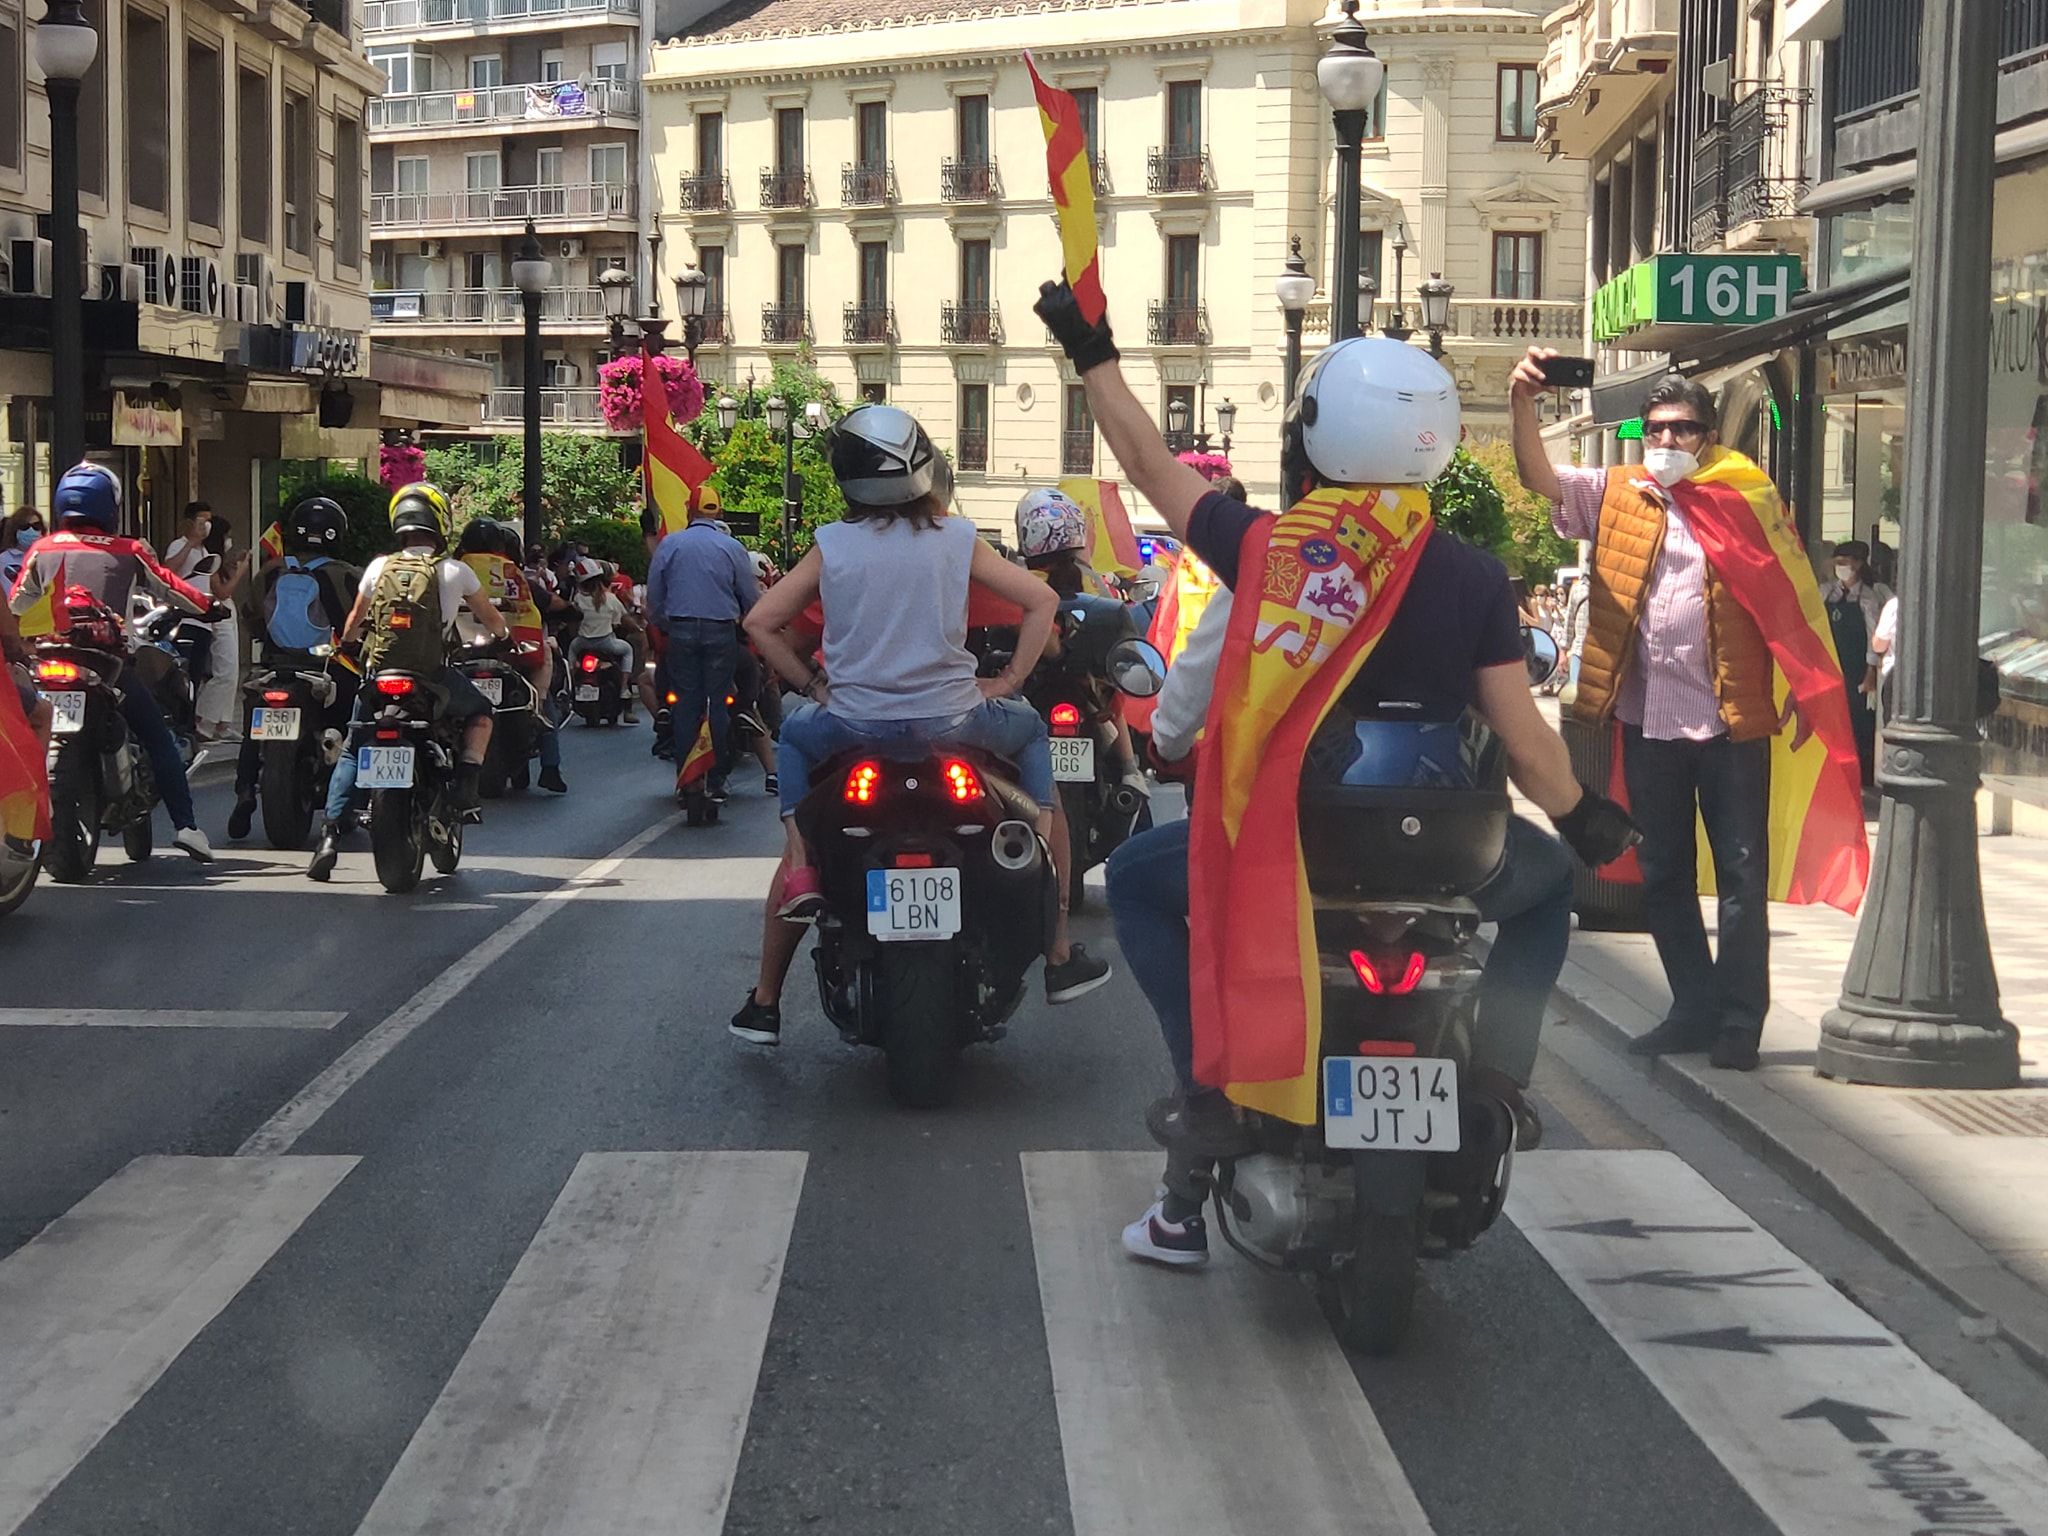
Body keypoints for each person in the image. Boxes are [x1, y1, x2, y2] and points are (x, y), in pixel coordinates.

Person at [1032, 282, 1636, 1267]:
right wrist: (1588, 825)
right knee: (1545, 895)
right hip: (1450, 856)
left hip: (1294, 851)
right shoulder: (1474, 575)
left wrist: (1090, 349)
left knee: (1140, 884)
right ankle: (1494, 1081)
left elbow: (1143, 459)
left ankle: (1206, 1090)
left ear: (1318, 436)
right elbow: (1526, 746)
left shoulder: (1263, 549)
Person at [739, 403, 1113, 1026]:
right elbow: (1043, 600)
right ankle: (1056, 942)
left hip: (854, 727)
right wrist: (1011, 680)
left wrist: (812, 685)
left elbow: (759, 622)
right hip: (953, 723)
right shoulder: (957, 538)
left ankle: (770, 986)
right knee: (1034, 737)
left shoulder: (830, 545)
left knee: (796, 740)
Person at [1510, 349, 1803, 1072]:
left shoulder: (1746, 499)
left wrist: (1804, 678)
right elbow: (1538, 477)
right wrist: (1523, 402)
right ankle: (1693, 1006)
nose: (1667, 442)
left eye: (1683, 429)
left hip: (1732, 724)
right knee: (1663, 870)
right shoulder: (1616, 494)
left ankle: (1739, 1021)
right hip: (1648, 723)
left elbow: (1790, 594)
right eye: (1657, 429)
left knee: (1740, 875)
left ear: (1708, 437)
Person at [7, 463, 216, 860]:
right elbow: (173, 589)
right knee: (159, 739)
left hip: (47, 663)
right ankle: (187, 826)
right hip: (109, 665)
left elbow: (18, 601)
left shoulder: (42, 549)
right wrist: (210, 606)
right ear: (111, 506)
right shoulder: (129, 550)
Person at [308, 484, 509, 881]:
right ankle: (466, 783)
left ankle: (329, 838)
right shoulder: (455, 570)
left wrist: (347, 647)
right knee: (482, 714)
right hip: (431, 678)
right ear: (439, 523)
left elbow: (353, 626)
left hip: (379, 677)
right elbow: (492, 620)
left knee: (352, 747)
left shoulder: (378, 567)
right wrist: (503, 636)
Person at [226, 495, 361, 840]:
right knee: (354, 723)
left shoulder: (270, 571)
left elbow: (250, 615)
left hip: (275, 666)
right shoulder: (344, 574)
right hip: (329, 667)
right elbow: (361, 622)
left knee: (251, 729)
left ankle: (244, 792)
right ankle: (345, 797)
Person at [645, 482, 757, 802]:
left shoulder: (670, 545)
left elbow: (655, 596)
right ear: (718, 511)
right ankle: (717, 776)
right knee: (718, 703)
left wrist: (667, 623)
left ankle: (687, 778)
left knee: (685, 706)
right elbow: (750, 596)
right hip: (720, 632)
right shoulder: (732, 547)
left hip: (680, 631)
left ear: (689, 511)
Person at [457, 519, 567, 794]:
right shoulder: (511, 572)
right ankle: (550, 764)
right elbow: (530, 611)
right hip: (510, 648)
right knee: (543, 689)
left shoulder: (453, 569)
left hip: (461, 648)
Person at [1821, 540, 1891, 786]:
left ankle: (1859, 777)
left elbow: (1874, 636)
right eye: (1837, 563)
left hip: (1856, 670)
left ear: (1858, 564)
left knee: (1857, 722)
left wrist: (1870, 671)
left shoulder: (1868, 597)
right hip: (1829, 666)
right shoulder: (1826, 592)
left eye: (1845, 563)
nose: (1840, 568)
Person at [570, 558, 639, 720]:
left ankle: (571, 685)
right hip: (606, 643)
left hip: (582, 643)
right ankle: (623, 688)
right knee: (628, 650)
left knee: (570, 652)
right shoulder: (611, 599)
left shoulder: (578, 599)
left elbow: (573, 622)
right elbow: (620, 621)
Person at [2, 507, 45, 590]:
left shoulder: (48, 558)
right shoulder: (3, 560)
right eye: (25, 526)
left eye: (36, 526)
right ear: (15, 529)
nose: (31, 530)